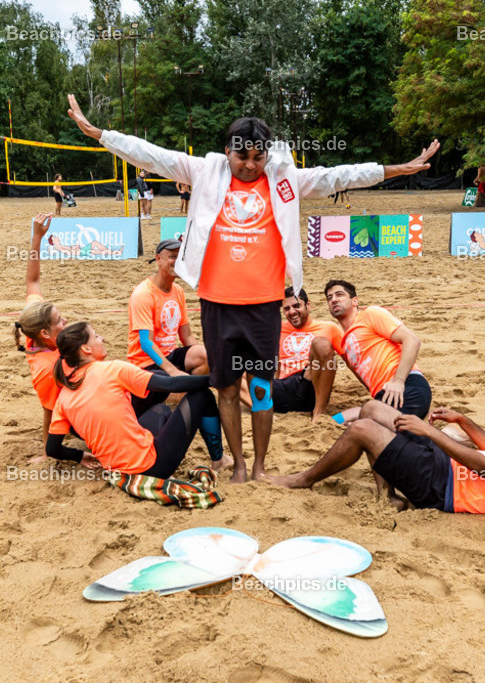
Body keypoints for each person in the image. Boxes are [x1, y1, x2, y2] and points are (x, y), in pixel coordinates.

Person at [66, 93, 440, 482]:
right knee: (226, 388)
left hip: (263, 306)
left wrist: (399, 168)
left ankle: (259, 466)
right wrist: (100, 134)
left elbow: (339, 175)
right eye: (242, 157)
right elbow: (150, 154)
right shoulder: (205, 171)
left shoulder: (285, 179)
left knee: (261, 387)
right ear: (227, 151)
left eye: (258, 158)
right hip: (216, 303)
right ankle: (240, 466)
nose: (249, 165)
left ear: (267, 156)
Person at [271, 395, 485, 515]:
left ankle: (303, 480)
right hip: (446, 466)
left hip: (446, 488)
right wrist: (463, 421)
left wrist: (431, 432)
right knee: (373, 408)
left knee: (362, 430)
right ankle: (386, 496)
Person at [46, 322, 225, 478]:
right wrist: (217, 380)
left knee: (161, 410)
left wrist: (80, 456)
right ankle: (219, 460)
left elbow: (52, 449)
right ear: (86, 349)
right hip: (153, 466)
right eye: (96, 336)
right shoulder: (111, 369)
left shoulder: (64, 396)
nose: (102, 339)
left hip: (116, 469)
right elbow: (171, 385)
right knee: (202, 395)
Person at [324, 280, 431, 422]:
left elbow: (412, 340)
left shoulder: (370, 314)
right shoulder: (345, 341)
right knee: (337, 421)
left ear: (354, 301)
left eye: (339, 294)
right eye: (329, 298)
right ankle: (450, 435)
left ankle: (450, 437)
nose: (334, 300)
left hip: (406, 386)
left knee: (374, 432)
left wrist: (398, 381)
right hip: (383, 398)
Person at [128, 239, 212, 415]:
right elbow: (146, 343)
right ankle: (178, 394)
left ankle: (182, 394)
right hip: (146, 363)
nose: (178, 261)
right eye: (172, 257)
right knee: (172, 383)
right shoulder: (144, 293)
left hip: (170, 354)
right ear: (158, 259)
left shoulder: (178, 291)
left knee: (206, 355)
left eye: (181, 257)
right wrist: (173, 372)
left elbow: (187, 335)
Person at [14, 213, 72, 448]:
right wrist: (50, 450)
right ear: (46, 334)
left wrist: (37, 237)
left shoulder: (34, 319)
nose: (65, 320)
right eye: (59, 320)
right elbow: (49, 410)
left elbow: (33, 280)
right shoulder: (47, 368)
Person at [241, 287, 341, 422]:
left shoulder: (328, 327)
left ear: (308, 305)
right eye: (287, 309)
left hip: (309, 382)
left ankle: (319, 413)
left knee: (321, 344)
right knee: (230, 366)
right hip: (282, 387)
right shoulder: (277, 328)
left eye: (296, 306)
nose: (292, 312)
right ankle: (264, 410)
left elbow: (353, 357)